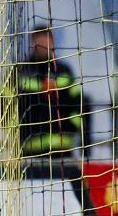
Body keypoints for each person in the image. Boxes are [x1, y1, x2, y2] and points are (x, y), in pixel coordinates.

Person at [17, 24, 85, 157]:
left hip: (62, 150)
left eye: (46, 39)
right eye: (39, 39)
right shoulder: (21, 71)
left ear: (52, 42)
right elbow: (6, 104)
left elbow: (78, 104)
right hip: (30, 149)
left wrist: (72, 128)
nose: (43, 43)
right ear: (32, 43)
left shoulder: (64, 71)